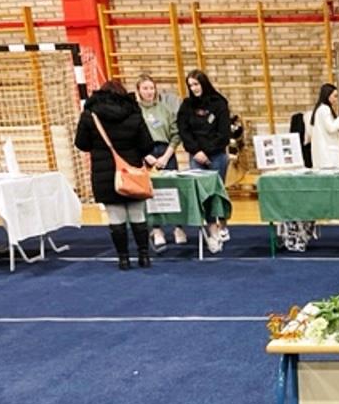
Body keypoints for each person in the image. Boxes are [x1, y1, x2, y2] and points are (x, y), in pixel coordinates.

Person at [74, 79, 154, 270]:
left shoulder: (90, 115)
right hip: (132, 172)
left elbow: (82, 144)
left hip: (105, 174)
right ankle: (144, 256)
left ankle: (123, 259)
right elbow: (146, 145)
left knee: (115, 217)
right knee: (137, 215)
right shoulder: (134, 112)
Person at [177, 69, 231, 254]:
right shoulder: (186, 105)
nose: (194, 88)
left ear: (204, 83)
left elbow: (224, 133)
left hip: (216, 155)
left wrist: (207, 151)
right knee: (203, 196)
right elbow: (184, 131)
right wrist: (196, 151)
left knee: (217, 193)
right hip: (196, 156)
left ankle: (222, 224)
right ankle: (212, 230)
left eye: (196, 84)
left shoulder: (219, 103)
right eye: (190, 85)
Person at [134, 74, 184, 252]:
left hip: (166, 152)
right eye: (145, 88)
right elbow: (132, 135)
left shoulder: (164, 109)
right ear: (138, 90)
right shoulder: (135, 111)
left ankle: (178, 227)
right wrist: (146, 155)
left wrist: (166, 155)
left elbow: (176, 134)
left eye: (151, 88)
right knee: (151, 193)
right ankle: (156, 229)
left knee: (173, 190)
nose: (149, 92)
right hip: (146, 154)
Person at [307, 83, 339, 170]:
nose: (336, 99)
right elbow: (331, 128)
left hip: (323, 153)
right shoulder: (324, 109)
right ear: (327, 95)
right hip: (327, 154)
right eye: (335, 96)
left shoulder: (320, 109)